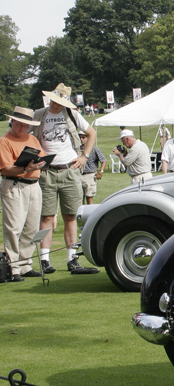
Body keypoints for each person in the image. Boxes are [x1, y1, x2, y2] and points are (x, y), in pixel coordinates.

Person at [32, 83, 99, 275]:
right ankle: (45, 259)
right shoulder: (39, 115)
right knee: (46, 216)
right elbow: (23, 134)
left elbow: (91, 133)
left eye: (59, 102)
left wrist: (84, 156)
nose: (55, 105)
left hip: (70, 169)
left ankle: (72, 259)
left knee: (70, 216)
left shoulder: (71, 114)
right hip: (46, 171)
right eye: (53, 101)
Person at [1, 107, 47, 281]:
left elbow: (42, 157)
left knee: (31, 227)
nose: (22, 128)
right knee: (14, 227)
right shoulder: (4, 141)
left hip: (34, 184)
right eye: (19, 125)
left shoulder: (33, 139)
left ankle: (26, 264)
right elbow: (5, 168)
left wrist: (42, 163)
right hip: (15, 185)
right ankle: (13, 268)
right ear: (12, 122)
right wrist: (25, 168)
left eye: (25, 125)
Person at [79, 130, 106, 205]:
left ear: (88, 138)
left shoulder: (94, 149)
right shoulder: (77, 149)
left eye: (83, 137)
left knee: (89, 198)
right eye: (80, 137)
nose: (81, 139)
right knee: (79, 199)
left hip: (90, 175)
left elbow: (103, 160)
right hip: (79, 175)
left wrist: (101, 171)